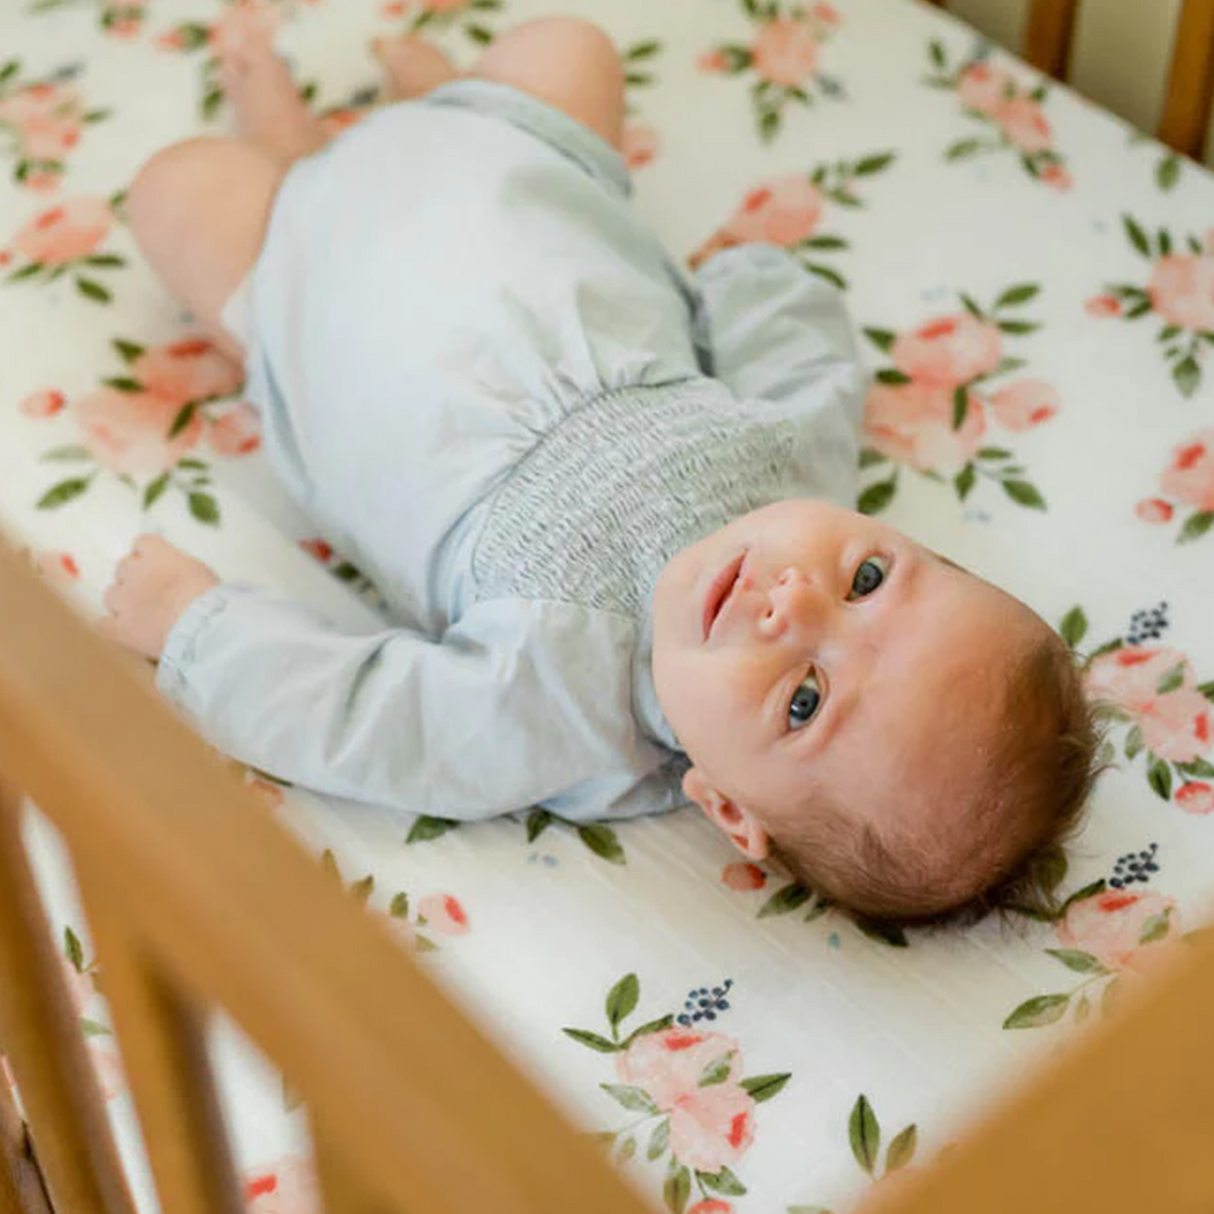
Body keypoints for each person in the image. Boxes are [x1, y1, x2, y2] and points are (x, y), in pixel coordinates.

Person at [99, 17, 1101, 923]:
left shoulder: (557, 712)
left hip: (321, 291)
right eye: (868, 578)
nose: (793, 599)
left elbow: (359, 717)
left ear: (724, 803)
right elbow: (804, 344)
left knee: (175, 192)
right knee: (567, 51)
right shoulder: (799, 465)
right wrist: (750, 277)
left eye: (802, 697)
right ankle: (429, 103)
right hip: (502, 178)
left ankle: (288, 138)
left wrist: (196, 622)